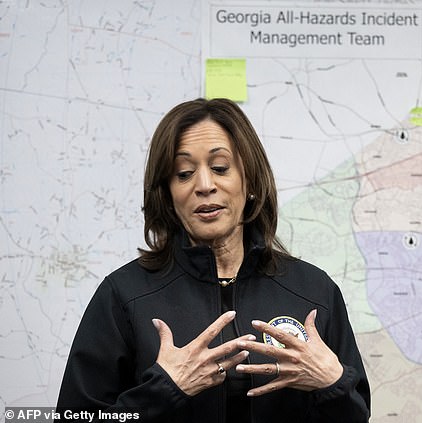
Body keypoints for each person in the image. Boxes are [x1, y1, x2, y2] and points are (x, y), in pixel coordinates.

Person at [56, 98, 371, 422]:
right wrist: (163, 391)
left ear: (249, 181)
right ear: (167, 193)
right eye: (184, 173)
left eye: (220, 168)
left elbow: (357, 417)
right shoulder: (123, 296)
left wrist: (334, 384)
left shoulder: (314, 292)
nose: (204, 186)